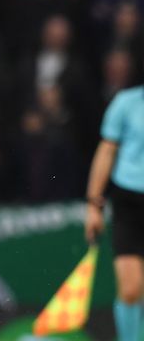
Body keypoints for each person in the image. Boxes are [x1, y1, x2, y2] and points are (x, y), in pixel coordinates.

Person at [84, 63, 144, 341]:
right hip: (129, 202)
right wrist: (94, 205)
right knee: (131, 289)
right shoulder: (126, 103)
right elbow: (106, 152)